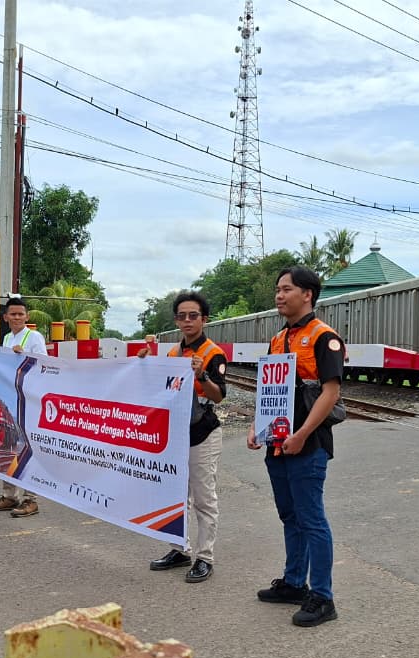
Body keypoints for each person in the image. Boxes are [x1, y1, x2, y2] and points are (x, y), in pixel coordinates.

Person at [247, 266, 343, 627]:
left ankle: (323, 597)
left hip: (308, 444)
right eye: (277, 289)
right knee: (290, 516)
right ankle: (293, 582)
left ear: (307, 294)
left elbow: (331, 392)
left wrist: (302, 433)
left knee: (311, 519)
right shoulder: (277, 340)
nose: (279, 295)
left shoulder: (324, 337)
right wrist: (256, 427)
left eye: (286, 289)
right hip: (277, 444)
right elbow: (270, 391)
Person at [138, 291, 227, 583]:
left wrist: (202, 376)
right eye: (181, 316)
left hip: (203, 433)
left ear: (204, 319)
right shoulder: (173, 354)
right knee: (176, 496)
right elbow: (160, 389)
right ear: (176, 320)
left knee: (204, 499)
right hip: (177, 435)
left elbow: (219, 396)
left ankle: (205, 557)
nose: (187, 321)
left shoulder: (213, 353)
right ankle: (179, 549)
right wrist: (144, 364)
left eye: (193, 315)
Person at [0, 296, 46, 518]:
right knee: (9, 447)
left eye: (21, 314)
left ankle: (31, 499)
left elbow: (44, 365)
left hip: (28, 400)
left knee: (29, 449)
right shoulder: (7, 338)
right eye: (13, 314)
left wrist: (24, 356)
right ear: (5, 317)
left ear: (27, 316)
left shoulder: (34, 337)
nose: (17, 317)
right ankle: (9, 495)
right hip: (10, 399)